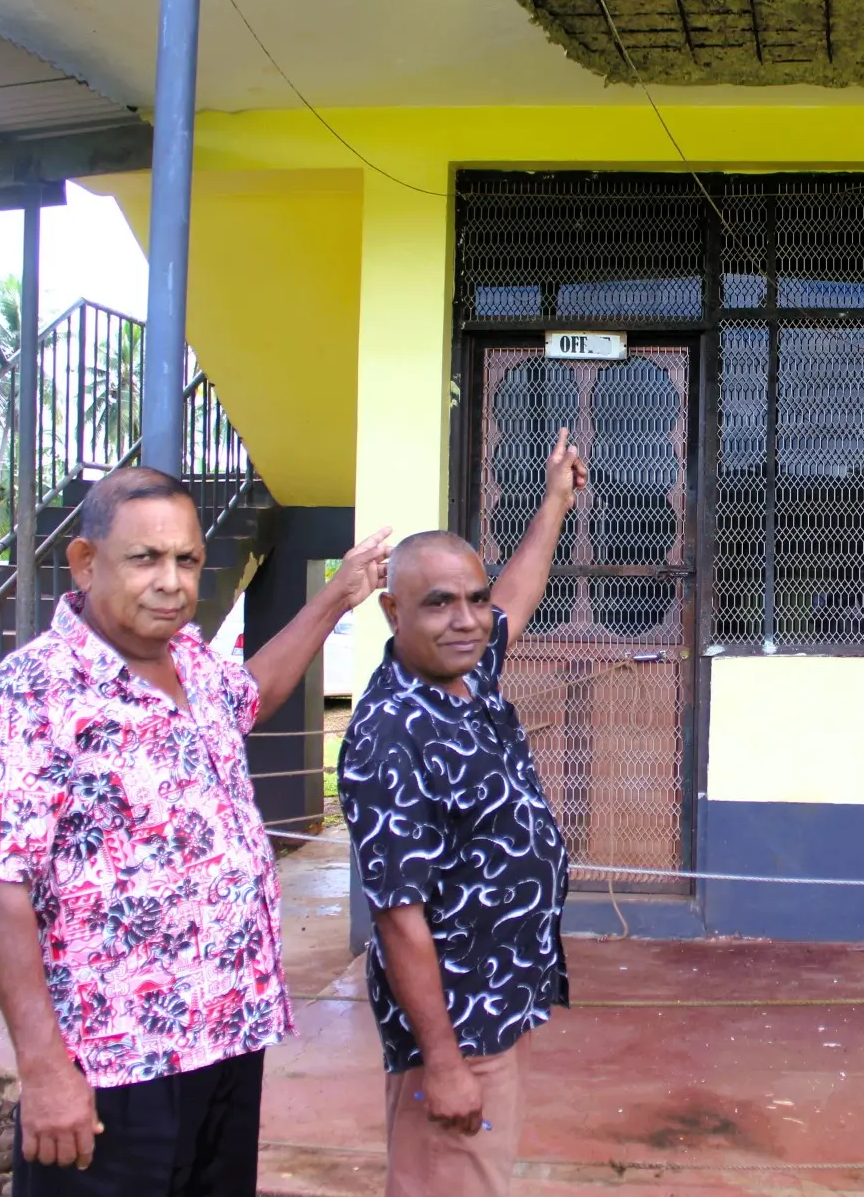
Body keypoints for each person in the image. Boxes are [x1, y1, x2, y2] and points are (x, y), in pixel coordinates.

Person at [0, 466, 391, 1196]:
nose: (172, 580)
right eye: (146, 558)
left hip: (225, 1032)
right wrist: (42, 1069)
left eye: (186, 560)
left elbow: (253, 693)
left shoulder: (191, 659)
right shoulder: (33, 690)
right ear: (86, 562)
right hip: (115, 1063)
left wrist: (340, 594)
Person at [337, 427, 586, 1197]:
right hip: (453, 1029)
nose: (469, 618)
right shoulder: (389, 734)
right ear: (391, 611)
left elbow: (518, 591)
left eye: (472, 600)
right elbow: (398, 917)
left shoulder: (467, 675)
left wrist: (554, 503)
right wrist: (441, 1063)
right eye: (439, 603)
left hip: (494, 1005)